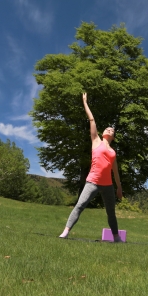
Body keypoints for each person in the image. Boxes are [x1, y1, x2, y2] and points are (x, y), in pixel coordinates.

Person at [59, 92, 124, 242]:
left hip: (108, 185)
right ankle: (66, 232)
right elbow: (92, 119)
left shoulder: (113, 152)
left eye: (112, 130)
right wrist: (85, 102)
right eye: (107, 129)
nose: (109, 130)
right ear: (102, 133)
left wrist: (119, 188)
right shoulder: (96, 141)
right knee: (80, 205)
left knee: (111, 212)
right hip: (93, 182)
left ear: (113, 137)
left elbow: (115, 172)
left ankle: (116, 237)